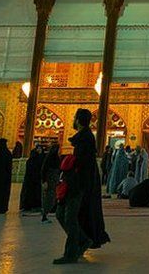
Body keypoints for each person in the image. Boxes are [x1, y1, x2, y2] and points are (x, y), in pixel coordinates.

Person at [54, 108, 110, 265]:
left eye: (74, 117)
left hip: (78, 185)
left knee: (70, 217)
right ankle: (83, 240)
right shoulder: (84, 138)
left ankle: (71, 252)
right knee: (63, 214)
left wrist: (76, 184)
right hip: (78, 184)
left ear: (78, 120)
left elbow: (84, 166)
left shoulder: (85, 139)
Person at [19, 144, 44, 214]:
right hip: (35, 180)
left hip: (31, 180)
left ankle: (28, 205)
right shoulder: (36, 160)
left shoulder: (31, 160)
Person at [41, 144, 61, 223]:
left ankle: (46, 213)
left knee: (52, 197)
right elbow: (44, 169)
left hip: (54, 180)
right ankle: (45, 215)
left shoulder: (55, 158)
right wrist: (44, 181)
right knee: (49, 197)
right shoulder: (50, 159)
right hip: (50, 180)